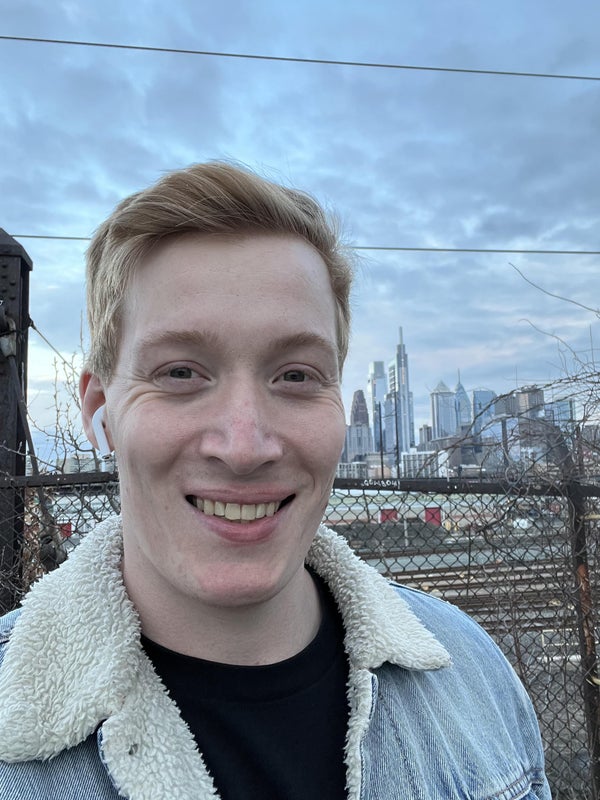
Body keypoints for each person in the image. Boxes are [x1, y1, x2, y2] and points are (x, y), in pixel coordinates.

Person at [0, 163, 550, 800]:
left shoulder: (472, 673)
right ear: (101, 411)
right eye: (180, 373)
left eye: (295, 376)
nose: (244, 447)